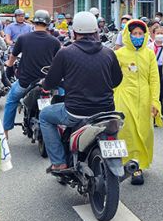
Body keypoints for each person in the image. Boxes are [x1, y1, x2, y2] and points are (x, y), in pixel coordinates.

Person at [40, 12, 123, 172]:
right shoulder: (108, 53)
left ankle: (58, 162)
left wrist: (47, 84)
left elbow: (51, 82)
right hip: (106, 112)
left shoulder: (65, 52)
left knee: (45, 116)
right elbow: (117, 81)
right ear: (96, 31)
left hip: (75, 112)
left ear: (74, 32)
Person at [114, 19, 162, 185]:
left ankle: (140, 162)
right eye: (134, 34)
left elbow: (154, 79)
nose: (137, 37)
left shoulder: (149, 54)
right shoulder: (119, 54)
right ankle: (132, 166)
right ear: (127, 35)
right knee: (128, 132)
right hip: (124, 98)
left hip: (145, 100)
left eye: (140, 34)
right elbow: (112, 77)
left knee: (145, 132)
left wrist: (155, 101)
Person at [2, 10, 61, 137]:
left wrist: (9, 65)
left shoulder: (23, 39)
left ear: (34, 22)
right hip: (47, 82)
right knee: (61, 99)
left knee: (11, 100)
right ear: (48, 24)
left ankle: (5, 133)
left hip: (26, 82)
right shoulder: (54, 41)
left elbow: (12, 57)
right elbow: (59, 61)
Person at [150, 20, 163, 101]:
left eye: (161, 33)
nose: (160, 35)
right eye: (158, 33)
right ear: (154, 34)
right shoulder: (149, 47)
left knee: (162, 91)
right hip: (153, 69)